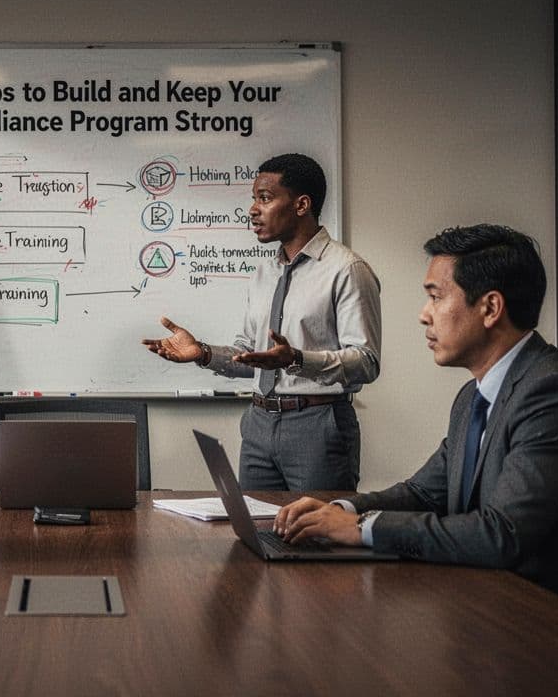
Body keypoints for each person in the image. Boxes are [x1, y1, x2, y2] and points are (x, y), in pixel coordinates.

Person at [275, 224, 558, 606]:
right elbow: (423, 493)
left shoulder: (553, 395)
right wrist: (342, 510)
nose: (424, 315)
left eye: (435, 297)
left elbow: (502, 534)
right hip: (497, 600)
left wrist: (363, 528)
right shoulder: (474, 396)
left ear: (490, 308)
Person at [142, 153, 380, 490]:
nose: (253, 209)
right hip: (258, 425)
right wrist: (204, 353)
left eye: (265, 198)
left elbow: (366, 363)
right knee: (255, 535)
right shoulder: (265, 272)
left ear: (301, 205)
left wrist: (297, 360)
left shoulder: (347, 270)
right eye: (254, 199)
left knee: (315, 537)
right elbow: (251, 356)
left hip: (317, 424)